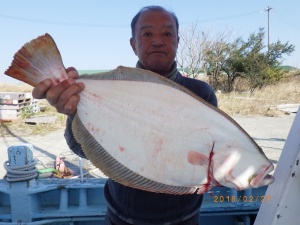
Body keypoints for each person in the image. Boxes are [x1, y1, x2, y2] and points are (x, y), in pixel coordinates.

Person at [32, 5, 218, 225]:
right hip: (121, 215)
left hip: (184, 217)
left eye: (167, 33)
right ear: (133, 45)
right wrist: (74, 110)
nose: (157, 41)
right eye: (147, 34)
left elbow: (210, 156)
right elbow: (80, 148)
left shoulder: (201, 93)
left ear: (178, 41)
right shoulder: (108, 89)